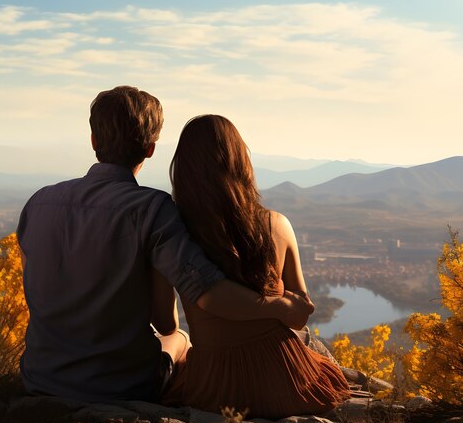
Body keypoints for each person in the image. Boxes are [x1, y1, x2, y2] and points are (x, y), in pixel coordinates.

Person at [16, 87, 314, 403]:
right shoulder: (152, 209)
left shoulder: (38, 203)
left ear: (93, 140)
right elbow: (201, 298)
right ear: (150, 149)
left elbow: (34, 286)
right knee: (179, 339)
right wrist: (281, 306)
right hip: (119, 387)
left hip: (40, 379)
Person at [162, 115, 350, 419]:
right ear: (240, 163)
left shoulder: (174, 235)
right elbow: (300, 317)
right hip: (287, 380)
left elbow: (165, 320)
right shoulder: (277, 225)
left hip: (214, 388)